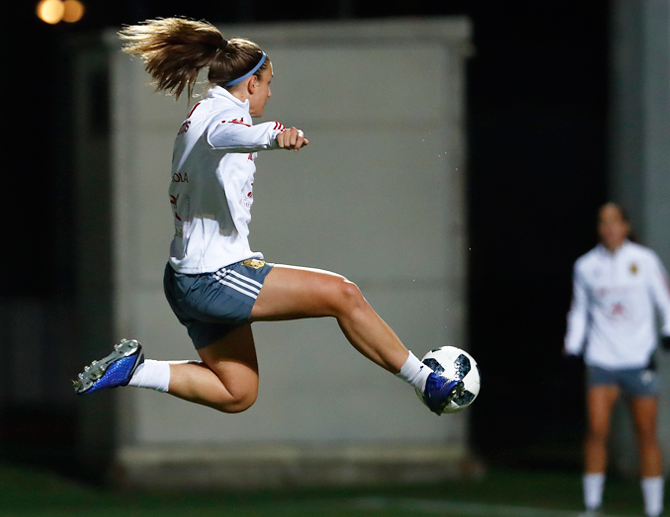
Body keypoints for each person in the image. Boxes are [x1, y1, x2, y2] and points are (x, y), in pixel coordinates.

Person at [72, 17, 463, 416]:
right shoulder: (223, 118)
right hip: (214, 278)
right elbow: (228, 134)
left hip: (186, 279)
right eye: (269, 83)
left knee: (237, 393)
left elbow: (221, 138)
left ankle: (134, 370)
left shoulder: (202, 111)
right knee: (342, 295)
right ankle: (426, 381)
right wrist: (274, 134)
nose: (270, 94)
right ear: (252, 82)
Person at [563, 202, 670, 517]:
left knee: (646, 431)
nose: (609, 228)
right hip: (602, 359)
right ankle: (592, 506)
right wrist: (572, 347)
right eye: (603, 222)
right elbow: (580, 311)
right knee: (597, 430)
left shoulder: (644, 261)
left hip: (639, 359)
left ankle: (654, 509)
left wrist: (669, 332)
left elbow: (666, 301)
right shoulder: (586, 265)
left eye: (615, 221)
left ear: (626, 226)